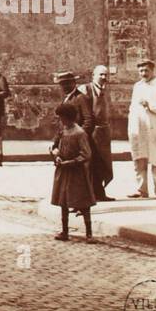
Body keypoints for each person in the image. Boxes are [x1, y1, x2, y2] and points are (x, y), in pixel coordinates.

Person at [50, 102, 95, 241]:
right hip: (63, 170)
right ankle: (64, 231)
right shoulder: (62, 130)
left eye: (61, 117)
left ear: (69, 117)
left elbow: (86, 154)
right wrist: (56, 155)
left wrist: (71, 162)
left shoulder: (79, 133)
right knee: (63, 201)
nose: (60, 120)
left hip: (77, 172)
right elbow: (54, 146)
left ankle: (89, 233)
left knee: (83, 202)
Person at [128, 58, 156, 200]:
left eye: (146, 70)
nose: (143, 73)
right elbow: (133, 107)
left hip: (154, 129)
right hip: (139, 128)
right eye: (140, 70)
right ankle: (141, 190)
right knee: (139, 159)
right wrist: (131, 125)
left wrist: (150, 105)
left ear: (153, 70)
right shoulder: (137, 86)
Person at [79, 65, 114, 201]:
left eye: (106, 75)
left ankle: (100, 193)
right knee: (91, 163)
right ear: (93, 75)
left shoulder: (106, 90)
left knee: (103, 163)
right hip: (91, 132)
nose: (104, 78)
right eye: (101, 75)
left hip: (103, 132)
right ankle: (90, 194)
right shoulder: (85, 89)